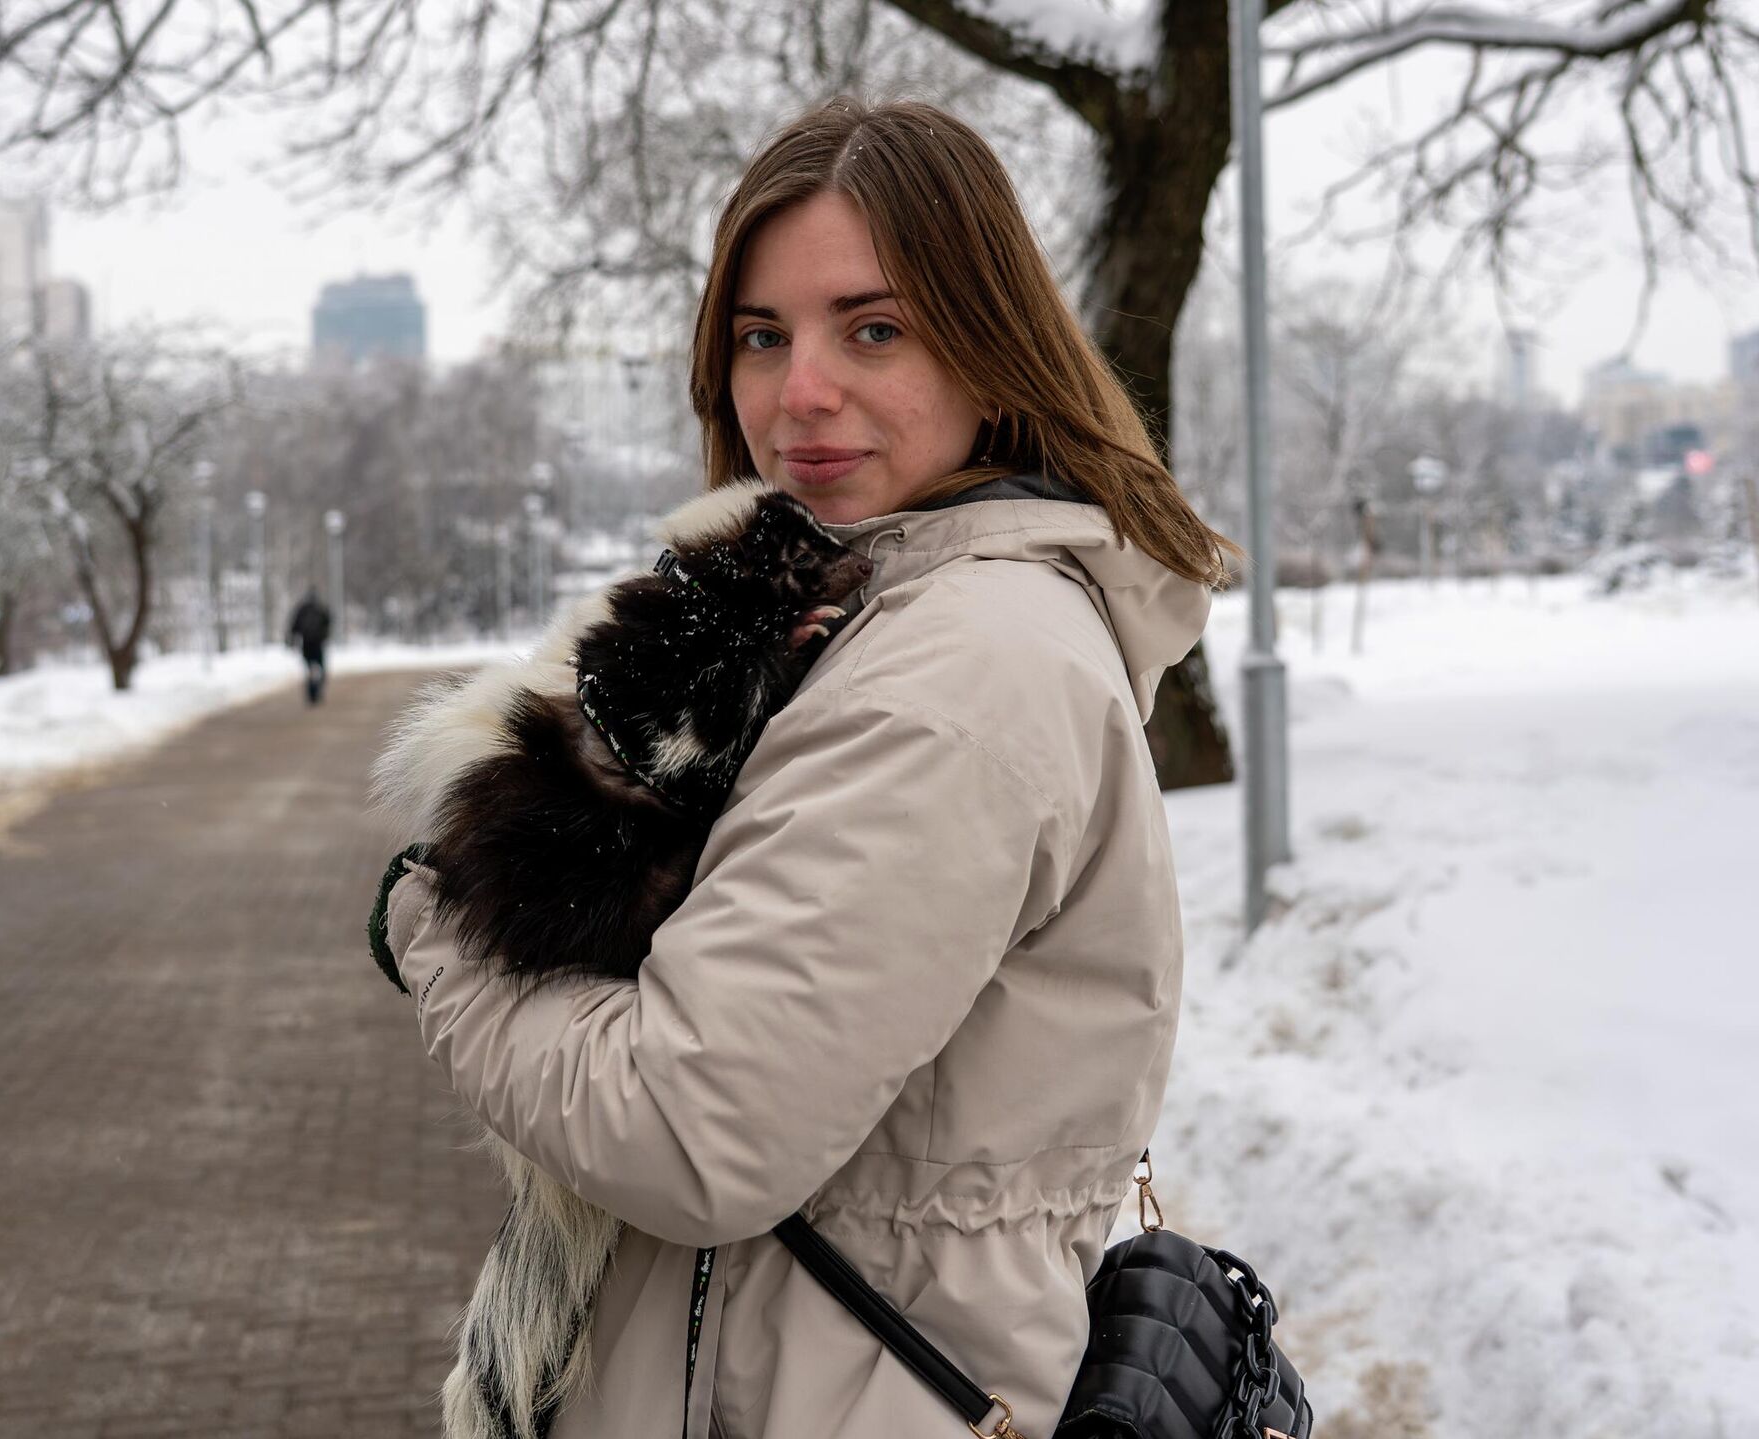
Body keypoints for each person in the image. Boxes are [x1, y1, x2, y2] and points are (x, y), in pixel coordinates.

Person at [380, 95, 1240, 1439]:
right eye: (761, 335)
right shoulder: (870, 621)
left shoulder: (955, 676)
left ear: (994, 347)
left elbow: (686, 1128)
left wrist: (434, 928)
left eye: (873, 328)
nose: (801, 394)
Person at [286, 587, 332, 705]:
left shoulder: (302, 610)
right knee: (320, 669)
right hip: (318, 645)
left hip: (306, 645)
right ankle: (317, 691)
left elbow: (294, 626)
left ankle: (312, 694)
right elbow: (328, 623)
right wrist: (325, 636)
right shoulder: (320, 609)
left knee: (310, 669)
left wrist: (291, 639)